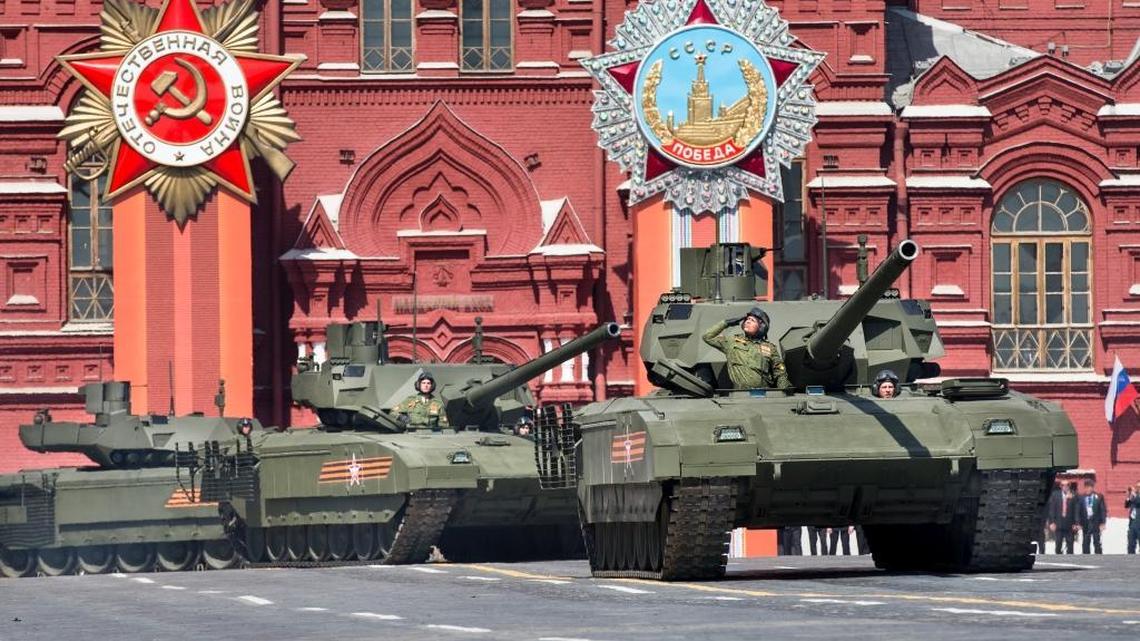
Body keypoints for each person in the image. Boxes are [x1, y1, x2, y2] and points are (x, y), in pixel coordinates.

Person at [702, 307, 791, 390]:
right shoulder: (732, 342)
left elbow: (779, 371)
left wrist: (783, 391)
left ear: (761, 326)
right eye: (747, 319)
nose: (748, 322)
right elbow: (707, 337)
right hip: (740, 394)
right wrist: (726, 323)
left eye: (752, 320)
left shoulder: (770, 347)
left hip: (763, 393)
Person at [1048, 481, 1079, 554]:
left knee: (1070, 546)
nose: (1065, 487)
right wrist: (1051, 522)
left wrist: (1076, 523)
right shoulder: (1055, 495)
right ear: (1060, 486)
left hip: (1069, 525)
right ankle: (1059, 558)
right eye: (1063, 485)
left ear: (1069, 486)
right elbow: (1052, 509)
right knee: (1058, 545)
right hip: (1058, 524)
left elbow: (1076, 510)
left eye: (1067, 485)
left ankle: (1069, 560)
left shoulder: (1073, 495)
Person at [1077, 478, 1107, 554]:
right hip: (1086, 523)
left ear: (1092, 488)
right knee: (1086, 543)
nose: (1088, 489)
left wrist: (1103, 523)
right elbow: (1078, 511)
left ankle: (1098, 558)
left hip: (1096, 523)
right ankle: (1086, 558)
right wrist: (1078, 523)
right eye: (1086, 487)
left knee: (1097, 542)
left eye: (1090, 487)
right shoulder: (1081, 498)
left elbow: (1103, 510)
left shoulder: (1099, 497)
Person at [1127, 482, 1140, 554]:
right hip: (1132, 524)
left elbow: (1138, 502)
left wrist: (1134, 495)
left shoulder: (1136, 497)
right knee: (1131, 546)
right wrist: (1128, 496)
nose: (1138, 488)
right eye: (1137, 487)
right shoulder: (1134, 496)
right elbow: (1126, 505)